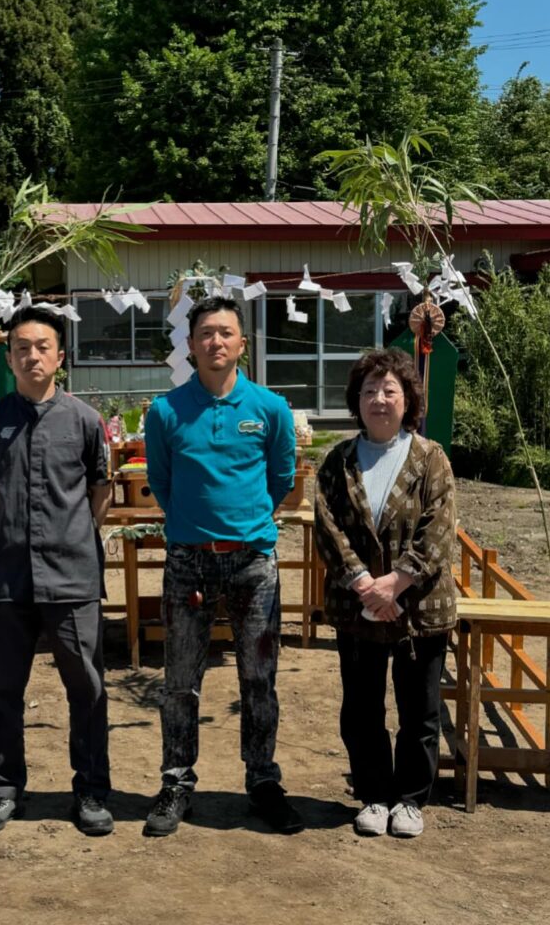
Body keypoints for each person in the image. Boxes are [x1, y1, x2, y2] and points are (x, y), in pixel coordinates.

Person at [142, 296, 303, 837]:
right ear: (190, 345)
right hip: (188, 562)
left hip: (253, 563)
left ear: (242, 343)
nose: (216, 341)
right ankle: (176, 783)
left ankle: (263, 781)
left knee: (259, 680)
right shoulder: (166, 412)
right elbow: (162, 483)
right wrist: (196, 526)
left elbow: (281, 479)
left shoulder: (270, 409)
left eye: (226, 332)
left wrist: (245, 522)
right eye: (206, 333)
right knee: (180, 682)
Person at [0, 306, 114, 837]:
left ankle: (92, 790)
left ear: (60, 356)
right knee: (3, 689)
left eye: (42, 347)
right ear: (9, 358)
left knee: (87, 688)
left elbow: (100, 491)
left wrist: (70, 535)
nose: (32, 356)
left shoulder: (84, 420)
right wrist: (12, 535)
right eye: (22, 348)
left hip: (72, 576)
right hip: (9, 577)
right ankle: (5, 788)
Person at [314, 347, 456, 839]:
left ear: (407, 399)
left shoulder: (430, 458)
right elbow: (327, 526)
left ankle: (410, 800)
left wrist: (396, 582)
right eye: (369, 390)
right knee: (361, 707)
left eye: (389, 390)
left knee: (420, 709)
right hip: (358, 605)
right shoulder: (339, 461)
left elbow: (439, 527)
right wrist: (363, 583)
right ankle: (373, 794)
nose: (379, 399)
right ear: (357, 400)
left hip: (419, 605)